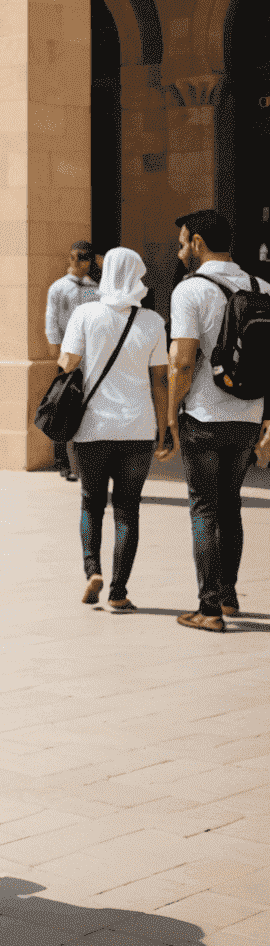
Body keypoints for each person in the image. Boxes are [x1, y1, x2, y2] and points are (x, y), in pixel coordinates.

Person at [167, 210, 269, 632]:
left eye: (182, 240)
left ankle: (208, 609)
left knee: (204, 509)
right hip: (248, 414)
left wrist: (170, 416)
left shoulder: (189, 291)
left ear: (197, 242)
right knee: (231, 506)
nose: (179, 248)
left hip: (204, 416)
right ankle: (227, 597)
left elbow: (182, 361)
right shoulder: (262, 287)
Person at [56, 248, 168, 611]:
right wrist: (165, 427)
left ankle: (93, 570)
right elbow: (161, 381)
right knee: (128, 509)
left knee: (91, 503)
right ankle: (119, 592)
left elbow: (67, 363)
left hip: (93, 427)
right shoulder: (153, 321)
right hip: (138, 429)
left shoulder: (85, 314)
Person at [45, 242, 99, 480]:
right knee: (63, 404)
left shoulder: (93, 289)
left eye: (84, 258)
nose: (78, 262)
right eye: (75, 257)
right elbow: (52, 321)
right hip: (67, 354)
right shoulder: (58, 288)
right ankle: (61, 460)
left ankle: (81, 461)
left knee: (84, 406)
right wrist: (57, 354)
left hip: (88, 355)